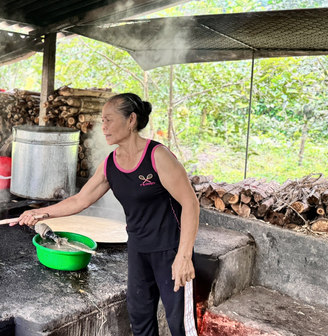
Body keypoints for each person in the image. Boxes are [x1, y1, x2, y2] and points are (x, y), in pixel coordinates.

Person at [13, 93, 200, 336]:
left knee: (180, 324)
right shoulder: (111, 163)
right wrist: (41, 214)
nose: (104, 127)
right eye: (103, 121)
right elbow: (80, 200)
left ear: (131, 120)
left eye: (109, 120)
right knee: (140, 317)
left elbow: (191, 205)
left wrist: (184, 256)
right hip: (138, 248)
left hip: (170, 249)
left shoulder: (157, 157)